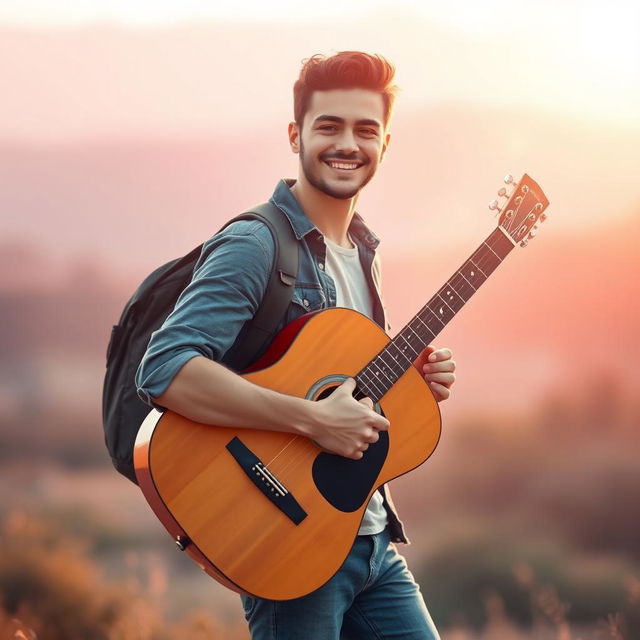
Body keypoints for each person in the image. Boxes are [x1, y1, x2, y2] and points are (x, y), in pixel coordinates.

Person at [135, 51, 455, 640]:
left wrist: (413, 381)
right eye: (328, 126)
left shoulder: (363, 250)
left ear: (386, 143)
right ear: (295, 134)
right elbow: (165, 368)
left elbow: (337, 378)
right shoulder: (255, 244)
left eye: (365, 130)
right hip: (289, 545)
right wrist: (312, 419)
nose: (347, 144)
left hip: (371, 543)